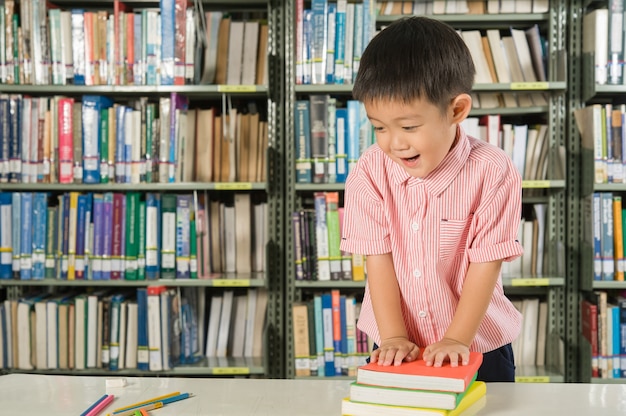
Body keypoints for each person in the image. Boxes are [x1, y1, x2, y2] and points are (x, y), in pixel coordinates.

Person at [339, 16, 523, 382]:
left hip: (477, 347)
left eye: (408, 127)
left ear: (456, 111)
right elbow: (378, 260)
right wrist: (392, 336)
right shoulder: (369, 172)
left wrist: (457, 338)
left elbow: (486, 264)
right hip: (397, 345)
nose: (395, 142)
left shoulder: (492, 170)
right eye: (379, 127)